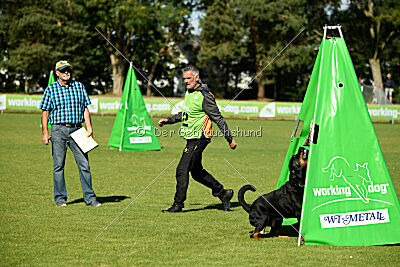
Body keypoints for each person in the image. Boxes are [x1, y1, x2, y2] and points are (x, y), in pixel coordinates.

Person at [159, 65, 237, 213]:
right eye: (184, 79)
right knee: (196, 172)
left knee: (182, 170)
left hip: (199, 138)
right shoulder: (189, 93)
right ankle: (223, 193)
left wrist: (230, 139)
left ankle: (178, 205)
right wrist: (169, 120)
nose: (186, 81)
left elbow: (218, 118)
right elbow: (186, 114)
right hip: (191, 138)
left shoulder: (205, 95)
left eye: (189, 78)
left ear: (197, 78)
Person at [39, 60, 101, 207]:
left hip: (78, 130)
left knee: (84, 165)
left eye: (68, 69)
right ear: (57, 73)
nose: (66, 72)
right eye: (63, 70)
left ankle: (90, 198)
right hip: (58, 130)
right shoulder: (51, 89)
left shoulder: (79, 86)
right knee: (58, 166)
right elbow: (45, 113)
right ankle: (60, 198)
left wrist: (89, 127)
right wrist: (45, 132)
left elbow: (85, 109)